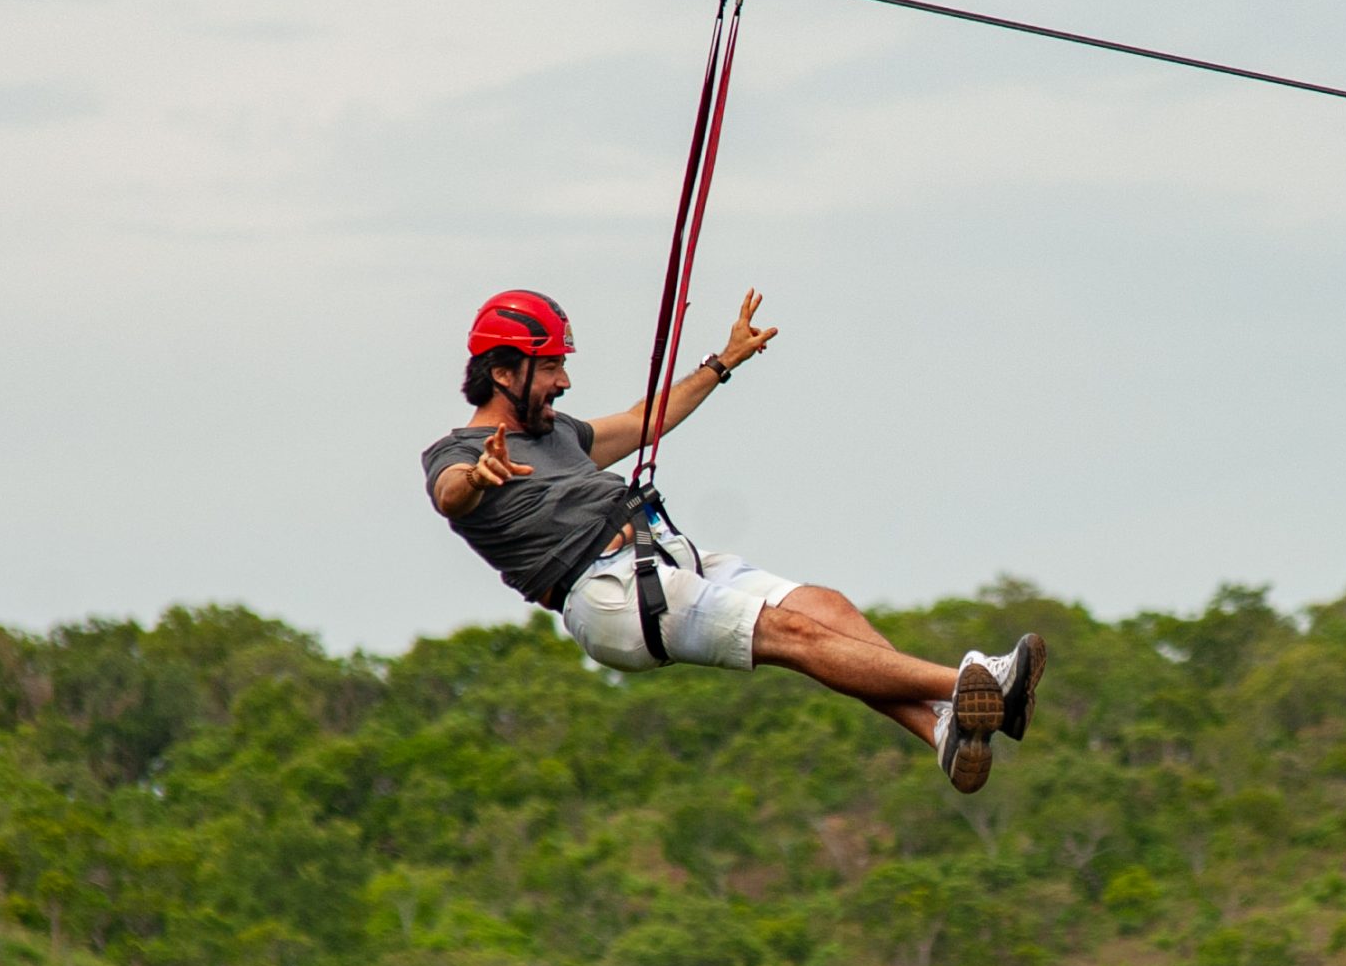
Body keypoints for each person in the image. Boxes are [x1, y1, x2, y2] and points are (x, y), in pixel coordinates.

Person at [423, 288, 1044, 792]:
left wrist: (722, 363)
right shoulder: (457, 455)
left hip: (667, 558)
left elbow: (645, 421)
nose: (562, 382)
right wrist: (478, 477)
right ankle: (970, 684)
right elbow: (453, 493)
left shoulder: (557, 433)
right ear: (503, 372)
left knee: (823, 608)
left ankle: (943, 731)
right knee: (798, 639)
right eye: (551, 367)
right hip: (611, 592)